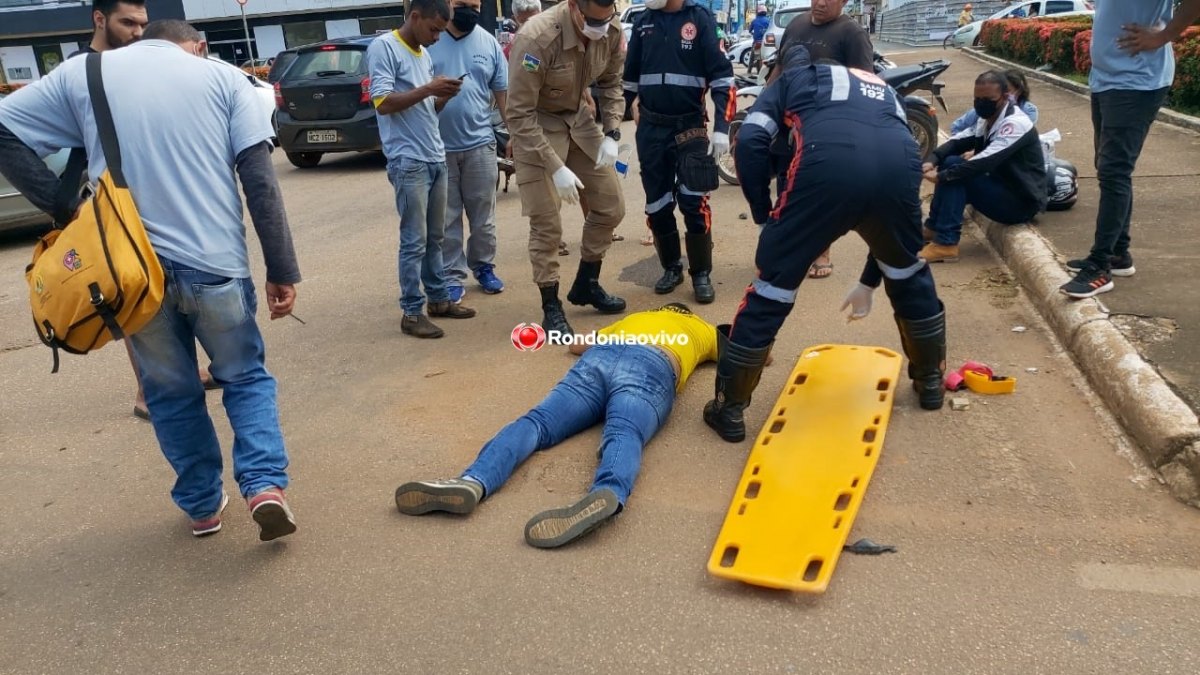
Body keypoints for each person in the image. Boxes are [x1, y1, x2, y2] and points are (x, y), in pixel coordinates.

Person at [0, 19, 302, 541]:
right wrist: (281, 269)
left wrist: (63, 207)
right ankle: (264, 487)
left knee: (171, 391)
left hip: (132, 273)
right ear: (195, 46)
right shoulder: (225, 79)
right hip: (216, 265)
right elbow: (258, 179)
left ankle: (203, 507)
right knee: (245, 377)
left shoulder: (87, 73)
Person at [703, 46, 948, 443]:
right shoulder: (881, 87)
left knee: (772, 288)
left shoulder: (793, 78)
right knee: (907, 269)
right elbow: (878, 179)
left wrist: (764, 215)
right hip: (902, 165)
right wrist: (869, 282)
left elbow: (749, 140)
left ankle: (729, 408)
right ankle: (930, 381)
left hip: (825, 166)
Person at [394, 303, 718, 548]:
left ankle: (472, 481)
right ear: (686, 314)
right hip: (653, 364)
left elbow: (575, 345)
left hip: (601, 357)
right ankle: (607, 491)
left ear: (660, 310)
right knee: (624, 430)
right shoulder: (701, 328)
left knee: (537, 424)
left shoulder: (635, 318)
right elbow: (741, 354)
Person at [1061, 0, 1200, 299]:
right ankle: (1118, 254)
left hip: (1136, 81)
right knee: (1109, 168)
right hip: (1106, 79)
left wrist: (1163, 36)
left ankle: (1099, 266)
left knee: (1114, 170)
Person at [506, 0, 628, 336]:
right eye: (592, 21)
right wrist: (554, 167)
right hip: (536, 126)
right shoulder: (536, 38)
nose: (600, 29)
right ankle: (551, 305)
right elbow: (518, 113)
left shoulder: (611, 27)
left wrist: (612, 133)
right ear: (573, 6)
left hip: (579, 121)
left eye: (606, 20)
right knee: (547, 222)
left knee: (611, 206)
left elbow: (612, 83)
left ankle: (587, 282)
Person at [368, 0, 477, 338]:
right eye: (433, 29)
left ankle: (439, 300)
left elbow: (426, 108)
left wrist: (443, 95)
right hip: (408, 160)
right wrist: (430, 88)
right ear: (414, 16)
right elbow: (383, 103)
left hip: (434, 155)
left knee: (435, 238)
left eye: (440, 32)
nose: (436, 38)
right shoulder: (384, 47)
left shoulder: (423, 55)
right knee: (414, 240)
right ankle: (412, 312)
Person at [623, 0, 734, 304]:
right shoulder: (643, 22)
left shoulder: (700, 19)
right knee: (657, 204)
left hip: (690, 126)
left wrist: (722, 128)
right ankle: (672, 268)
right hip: (651, 128)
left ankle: (701, 273)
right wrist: (612, 127)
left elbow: (723, 78)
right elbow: (629, 80)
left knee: (693, 201)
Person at [771, 0, 874, 281]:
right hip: (789, 123)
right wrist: (766, 105)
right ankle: (788, 248)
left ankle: (821, 252)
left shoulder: (852, 33)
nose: (821, 2)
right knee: (786, 187)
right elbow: (779, 69)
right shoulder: (796, 25)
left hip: (827, 126)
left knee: (820, 190)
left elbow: (864, 83)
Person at [920, 71, 1046, 264]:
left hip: (1020, 203)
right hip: (998, 186)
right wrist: (932, 160)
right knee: (951, 162)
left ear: (1005, 97)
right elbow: (956, 142)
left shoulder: (1015, 124)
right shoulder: (986, 119)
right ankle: (934, 228)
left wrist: (941, 177)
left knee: (957, 173)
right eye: (977, 99)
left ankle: (946, 243)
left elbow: (984, 161)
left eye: (988, 99)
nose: (981, 104)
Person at [428, 0, 508, 304]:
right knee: (446, 219)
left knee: (483, 216)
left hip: (480, 144)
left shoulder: (488, 43)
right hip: (439, 147)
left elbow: (502, 91)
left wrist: (512, 133)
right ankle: (452, 276)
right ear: (449, 4)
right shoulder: (430, 40)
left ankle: (484, 267)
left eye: (475, 5)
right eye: (463, 4)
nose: (470, 11)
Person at [950, 69, 1038, 135]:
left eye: (1007, 90)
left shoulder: (1028, 111)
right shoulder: (985, 106)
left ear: (1018, 91)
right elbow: (957, 127)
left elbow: (1014, 139)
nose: (1004, 94)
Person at [70, 0, 148, 57]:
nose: (139, 33)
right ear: (100, 20)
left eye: (143, 25)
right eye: (128, 23)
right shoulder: (76, 67)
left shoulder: (144, 62)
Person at [748, 5, 771, 76]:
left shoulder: (754, 21)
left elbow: (750, 30)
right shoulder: (769, 21)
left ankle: (752, 70)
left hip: (757, 42)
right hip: (766, 43)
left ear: (757, 12)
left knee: (755, 57)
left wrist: (754, 33)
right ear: (765, 12)